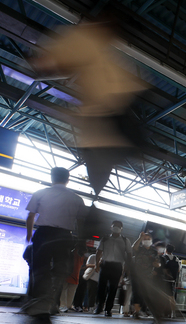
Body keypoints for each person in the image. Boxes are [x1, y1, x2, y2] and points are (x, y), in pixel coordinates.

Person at [30, 13, 149, 197]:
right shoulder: (87, 40)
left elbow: (59, 65)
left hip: (108, 118)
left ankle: (97, 194)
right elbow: (60, 63)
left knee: (102, 162)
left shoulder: (94, 44)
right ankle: (96, 195)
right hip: (108, 118)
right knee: (102, 162)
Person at [22, 167, 85, 324]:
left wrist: (29, 234)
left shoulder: (41, 192)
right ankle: (53, 305)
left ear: (52, 177)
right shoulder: (76, 198)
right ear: (68, 179)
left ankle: (39, 309)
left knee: (40, 270)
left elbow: (30, 216)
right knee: (60, 272)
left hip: (43, 234)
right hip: (65, 236)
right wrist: (81, 242)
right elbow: (81, 222)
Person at [94, 221, 132, 317]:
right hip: (105, 264)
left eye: (118, 226)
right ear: (111, 227)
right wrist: (96, 264)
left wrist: (127, 267)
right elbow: (99, 251)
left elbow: (129, 254)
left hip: (117, 266)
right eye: (115, 226)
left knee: (113, 288)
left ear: (121, 228)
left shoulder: (125, 240)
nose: (116, 227)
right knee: (101, 287)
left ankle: (108, 309)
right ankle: (99, 306)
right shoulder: (105, 238)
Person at [59, 242, 87, 313]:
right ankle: (67, 306)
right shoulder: (81, 255)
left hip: (69, 275)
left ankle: (63, 306)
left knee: (64, 292)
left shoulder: (72, 252)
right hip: (75, 276)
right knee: (71, 293)